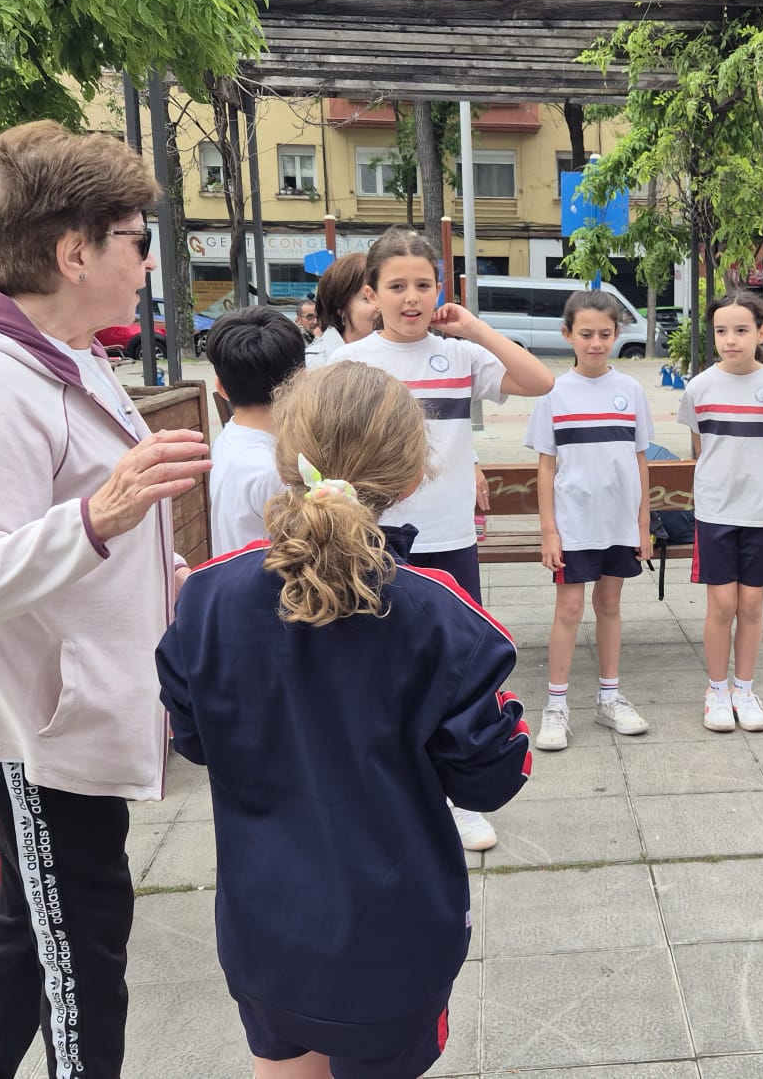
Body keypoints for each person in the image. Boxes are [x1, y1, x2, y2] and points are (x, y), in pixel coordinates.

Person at [0, 120, 210, 1079]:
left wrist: (167, 574)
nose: (148, 263)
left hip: (55, 705)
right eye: (137, 240)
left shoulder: (62, 354)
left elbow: (68, 522)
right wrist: (102, 518)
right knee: (80, 945)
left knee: (34, 926)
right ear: (75, 253)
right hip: (26, 716)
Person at [157, 361, 531, 1079]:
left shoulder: (205, 596)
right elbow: (490, 777)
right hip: (393, 931)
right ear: (412, 476)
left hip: (264, 921)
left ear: (284, 458)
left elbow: (193, 739)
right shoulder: (440, 613)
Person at [327, 227, 551, 851]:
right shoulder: (347, 365)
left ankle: (461, 795)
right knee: (380, 667)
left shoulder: (458, 357)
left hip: (450, 538)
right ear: (371, 293)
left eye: (424, 285)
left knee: (459, 668)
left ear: (440, 290)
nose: (411, 298)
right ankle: (389, 792)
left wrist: (474, 328)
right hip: (372, 540)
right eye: (396, 286)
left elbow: (539, 381)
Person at [525, 291, 655, 750]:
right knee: (569, 610)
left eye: (604, 334)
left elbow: (640, 460)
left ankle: (609, 698)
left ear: (617, 334)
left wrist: (642, 524)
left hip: (618, 523)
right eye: (586, 334)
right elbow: (545, 467)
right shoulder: (553, 393)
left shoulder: (631, 390)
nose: (596, 343)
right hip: (574, 524)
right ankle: (556, 706)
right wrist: (549, 531)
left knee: (610, 606)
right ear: (568, 335)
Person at [676, 291, 763, 733]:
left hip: (761, 513)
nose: (731, 339)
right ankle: (716, 690)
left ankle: (744, 690)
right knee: (722, 604)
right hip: (715, 511)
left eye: (741, 330)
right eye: (722, 331)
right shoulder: (699, 388)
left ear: (761, 333)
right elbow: (701, 447)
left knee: (751, 605)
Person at [206, 306, 307, 555]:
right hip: (267, 579)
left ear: (221, 387)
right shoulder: (276, 472)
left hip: (232, 572)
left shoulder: (228, 438)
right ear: (302, 380)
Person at [306, 252, 380, 368]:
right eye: (367, 298)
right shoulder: (316, 362)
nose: (379, 306)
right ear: (340, 306)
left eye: (381, 296)